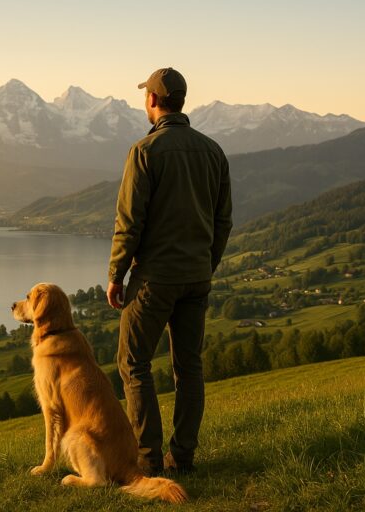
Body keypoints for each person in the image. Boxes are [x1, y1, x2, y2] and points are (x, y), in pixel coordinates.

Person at [106, 67, 232, 476]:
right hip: (196, 277)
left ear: (154, 101)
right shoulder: (213, 151)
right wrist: (205, 264)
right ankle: (184, 457)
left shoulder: (145, 151)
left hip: (155, 280)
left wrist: (116, 274)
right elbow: (222, 221)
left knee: (133, 363)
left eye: (147, 96)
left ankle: (148, 461)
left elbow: (130, 222)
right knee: (189, 366)